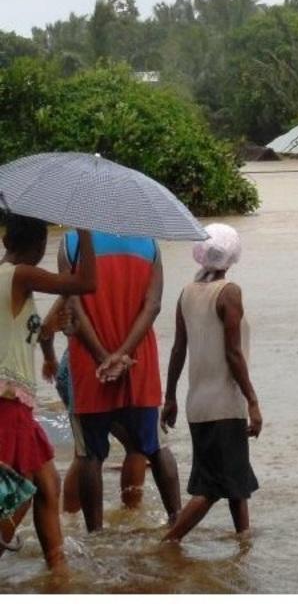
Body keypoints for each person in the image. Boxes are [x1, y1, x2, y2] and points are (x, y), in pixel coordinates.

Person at [60, 230, 180, 531]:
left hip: (88, 365)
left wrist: (103, 357)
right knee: (155, 447)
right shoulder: (149, 243)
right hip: (138, 363)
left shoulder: (71, 243)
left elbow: (72, 305)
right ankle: (178, 524)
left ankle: (95, 535)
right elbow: (153, 305)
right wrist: (123, 354)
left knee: (90, 455)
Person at [0, 216, 96, 571]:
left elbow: (26, 331)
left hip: (18, 401)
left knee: (48, 484)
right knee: (17, 493)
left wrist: (50, 351)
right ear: (41, 247)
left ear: (6, 240)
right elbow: (87, 283)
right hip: (8, 402)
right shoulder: (20, 275)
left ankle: (57, 569)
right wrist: (85, 229)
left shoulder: (11, 280)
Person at [163, 224, 262, 542]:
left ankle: (243, 540)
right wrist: (253, 401)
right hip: (225, 404)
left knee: (236, 480)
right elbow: (233, 353)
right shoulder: (229, 292)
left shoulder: (186, 293)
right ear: (232, 257)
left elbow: (178, 350)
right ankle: (169, 543)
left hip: (198, 404)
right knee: (212, 487)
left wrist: (170, 398)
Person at [38, 299, 148, 513]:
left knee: (84, 453)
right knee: (137, 446)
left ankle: (70, 517)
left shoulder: (78, 288)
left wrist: (49, 359)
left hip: (73, 368)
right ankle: (131, 514)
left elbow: (46, 328)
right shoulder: (127, 288)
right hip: (110, 365)